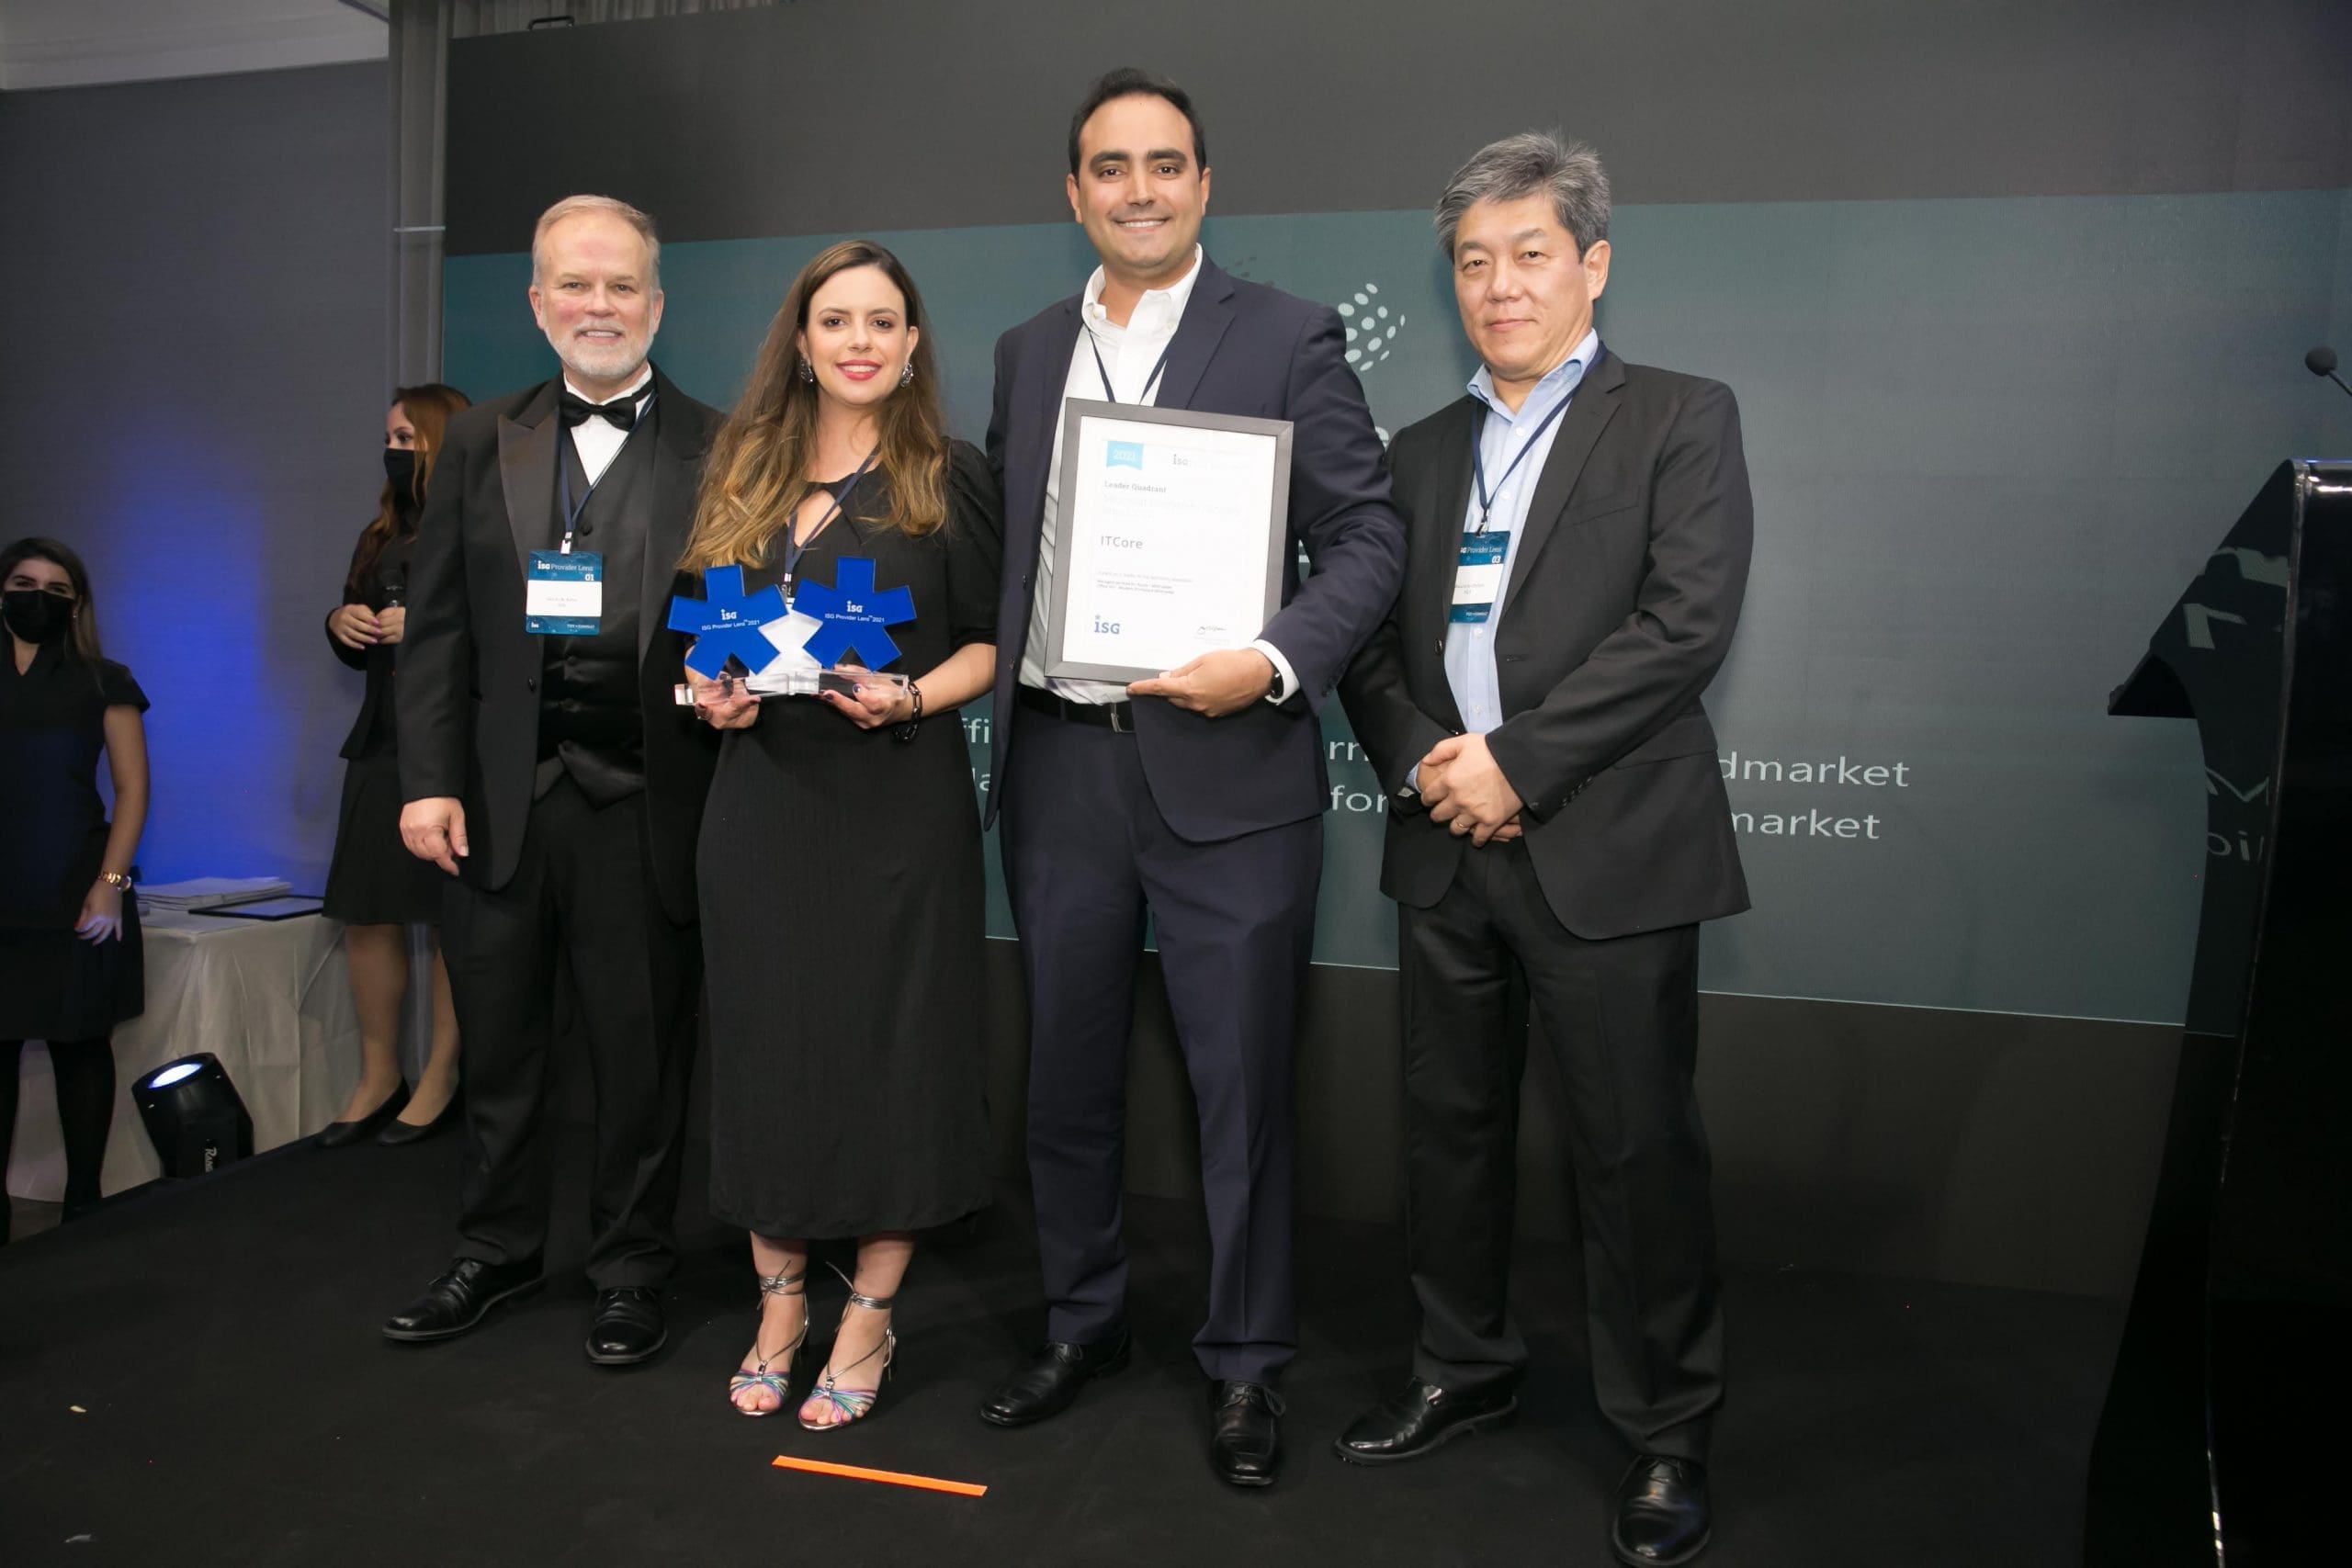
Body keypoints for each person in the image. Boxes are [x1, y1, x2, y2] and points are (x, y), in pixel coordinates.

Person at [976, 68, 1405, 1487]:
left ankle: (1246, 1360)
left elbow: (1368, 540)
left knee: (1242, 1090)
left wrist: (1273, 660)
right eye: (1111, 166)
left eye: (1166, 164)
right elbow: (1006, 560)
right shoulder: (1027, 350)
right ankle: (1082, 1319)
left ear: (1205, 184)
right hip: (1062, 764)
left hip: (1232, 767)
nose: (1140, 189)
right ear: (1074, 192)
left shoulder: (1286, 333)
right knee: (1064, 1077)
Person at [1333, 133, 1753, 1568]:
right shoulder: (1414, 453)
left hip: (1608, 843)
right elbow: (1366, 648)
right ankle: (1462, 1364)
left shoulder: (1681, 415)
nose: (1499, 284)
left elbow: (1684, 624)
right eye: (1473, 260)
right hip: (1446, 844)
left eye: (1529, 254)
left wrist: (1516, 760)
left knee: (1636, 1150)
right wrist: (1429, 763)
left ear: (1594, 264)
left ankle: (1666, 1429)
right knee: (1448, 1132)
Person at [382, 195, 722, 1367]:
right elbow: (435, 631)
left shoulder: (722, 445)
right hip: (495, 805)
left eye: (621, 285)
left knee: (641, 1059)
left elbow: (744, 618)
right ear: (537, 304)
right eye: (574, 285)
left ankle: (631, 1267)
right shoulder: (481, 439)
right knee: (499, 1050)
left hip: (646, 803)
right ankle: (497, 1249)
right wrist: (427, 780)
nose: (598, 305)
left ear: (656, 305)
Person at [682, 240, 1001, 1427]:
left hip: (896, 809)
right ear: (803, 342)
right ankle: (778, 1307)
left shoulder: (948, 475)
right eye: (835, 320)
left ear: (911, 342)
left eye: (881, 320)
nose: (859, 340)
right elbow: (702, 634)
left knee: (894, 1057)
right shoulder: (743, 469)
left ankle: (867, 1314)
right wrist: (710, 693)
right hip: (758, 806)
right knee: (765, 1051)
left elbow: (988, 641)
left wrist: (910, 695)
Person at [318, 383, 470, 1147]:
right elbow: (354, 624)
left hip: (453, 744)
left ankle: (443, 1073)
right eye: (389, 438)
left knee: (450, 916)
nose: (394, 450)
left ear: (442, 438)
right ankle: (380, 1073)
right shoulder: (380, 532)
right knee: (368, 910)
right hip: (379, 739)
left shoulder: (480, 522)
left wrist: (431, 625)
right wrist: (341, 621)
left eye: (407, 437)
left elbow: (517, 632)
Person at [0, 537, 149, 1245]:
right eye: (24, 583)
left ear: (78, 603)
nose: (39, 598)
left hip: (77, 887)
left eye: (57, 589)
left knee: (81, 1045)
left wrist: (110, 884)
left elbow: (132, 789)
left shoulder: (103, 680)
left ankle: (83, 1213)